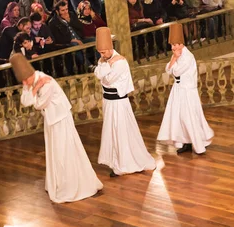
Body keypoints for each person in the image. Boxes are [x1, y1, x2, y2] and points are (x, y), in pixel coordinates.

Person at [11, 53, 103, 203]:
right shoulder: (28, 82)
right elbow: (25, 101)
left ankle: (71, 182)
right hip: (51, 120)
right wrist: (32, 89)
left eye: (25, 81)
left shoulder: (46, 82)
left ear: (31, 74)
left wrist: (35, 91)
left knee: (64, 149)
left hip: (60, 118)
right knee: (55, 150)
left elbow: (40, 104)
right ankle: (58, 180)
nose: (24, 84)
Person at [94, 27, 156, 177]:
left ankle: (125, 163)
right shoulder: (105, 60)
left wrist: (104, 68)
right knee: (111, 132)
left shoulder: (120, 62)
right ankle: (115, 161)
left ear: (111, 47)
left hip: (119, 103)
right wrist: (105, 65)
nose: (102, 55)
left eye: (104, 52)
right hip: (108, 102)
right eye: (100, 53)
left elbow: (108, 79)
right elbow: (98, 74)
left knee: (121, 130)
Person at [157, 22, 214, 154]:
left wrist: (174, 61)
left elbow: (175, 72)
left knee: (189, 116)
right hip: (178, 89)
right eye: (172, 45)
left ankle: (199, 143)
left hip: (187, 90)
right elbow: (168, 70)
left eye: (176, 45)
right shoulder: (176, 55)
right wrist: (173, 59)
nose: (173, 47)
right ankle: (186, 141)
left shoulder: (187, 56)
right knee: (179, 117)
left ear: (182, 44)